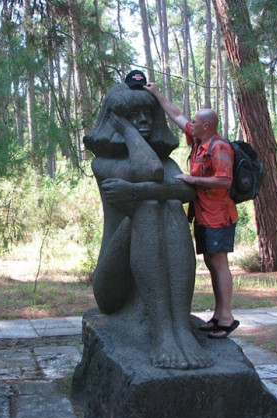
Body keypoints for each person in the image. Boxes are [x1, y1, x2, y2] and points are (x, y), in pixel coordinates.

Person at [83, 73, 213, 369]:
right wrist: (127, 131)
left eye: (148, 114)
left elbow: (185, 190)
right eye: (133, 115)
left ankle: (180, 327)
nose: (143, 120)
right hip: (114, 286)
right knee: (149, 203)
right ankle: (163, 333)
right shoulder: (103, 163)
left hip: (154, 250)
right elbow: (150, 170)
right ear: (116, 120)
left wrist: (136, 191)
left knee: (166, 203)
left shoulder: (168, 162)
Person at [144, 82, 240, 339]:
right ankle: (219, 316)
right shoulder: (199, 141)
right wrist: (156, 93)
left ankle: (227, 317)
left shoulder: (218, 147)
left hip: (219, 215)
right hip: (203, 213)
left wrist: (191, 180)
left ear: (207, 126)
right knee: (212, 262)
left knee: (219, 263)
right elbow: (177, 115)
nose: (191, 124)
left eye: (196, 121)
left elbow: (224, 180)